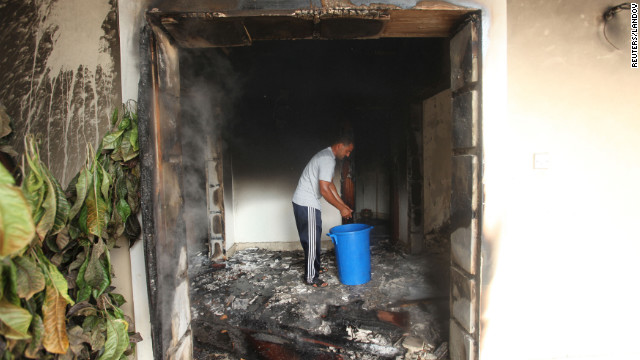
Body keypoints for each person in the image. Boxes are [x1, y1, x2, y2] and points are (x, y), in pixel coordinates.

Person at [292, 134, 354, 287]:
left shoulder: (326, 155)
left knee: (311, 241)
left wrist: (344, 205)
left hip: (303, 202)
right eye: (347, 151)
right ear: (339, 145)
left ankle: (313, 269)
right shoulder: (327, 159)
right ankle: (311, 278)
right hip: (307, 204)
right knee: (312, 242)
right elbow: (324, 190)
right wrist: (341, 209)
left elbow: (330, 184)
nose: (347, 155)